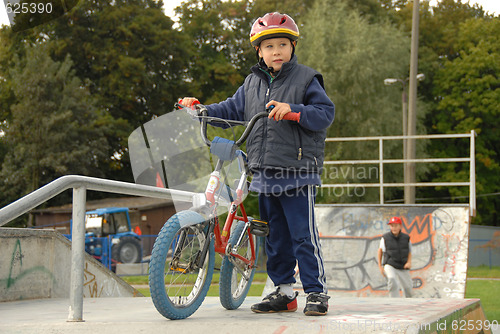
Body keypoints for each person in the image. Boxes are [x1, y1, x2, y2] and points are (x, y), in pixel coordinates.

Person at [180, 12, 335, 316]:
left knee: (303, 235)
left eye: (282, 44)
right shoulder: (252, 83)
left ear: (292, 47)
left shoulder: (306, 78)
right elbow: (231, 109)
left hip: (297, 172)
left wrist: (293, 110)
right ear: (258, 51)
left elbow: (324, 113)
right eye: (269, 46)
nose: (276, 51)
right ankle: (284, 292)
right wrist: (202, 110)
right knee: (275, 237)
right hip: (264, 173)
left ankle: (316, 293)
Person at [377, 216, 413, 298]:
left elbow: (410, 251)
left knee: (408, 287)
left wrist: (409, 262)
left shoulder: (406, 238)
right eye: (392, 226)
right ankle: (394, 301)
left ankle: (409, 303)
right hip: (390, 264)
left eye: (396, 225)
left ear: (400, 226)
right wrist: (380, 266)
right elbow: (380, 251)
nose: (394, 228)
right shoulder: (385, 238)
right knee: (392, 279)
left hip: (402, 265)